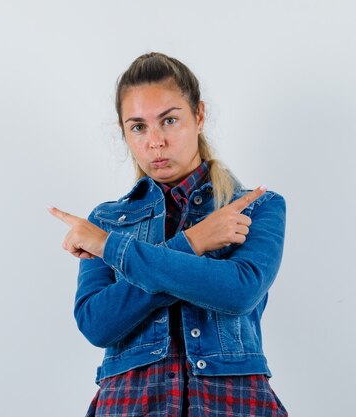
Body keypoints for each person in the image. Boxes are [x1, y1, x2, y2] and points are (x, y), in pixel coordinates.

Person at [48, 52, 288, 417]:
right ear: (124, 133)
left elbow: (239, 292)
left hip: (234, 405)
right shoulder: (107, 221)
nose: (155, 141)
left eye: (170, 120)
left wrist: (113, 250)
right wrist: (192, 243)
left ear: (199, 115)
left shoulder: (256, 206)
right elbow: (98, 324)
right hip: (131, 404)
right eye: (139, 127)